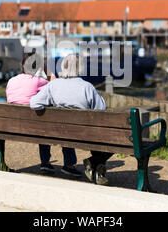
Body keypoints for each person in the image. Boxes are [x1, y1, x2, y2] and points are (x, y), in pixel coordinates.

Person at [30, 53, 113, 185]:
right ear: (81, 68)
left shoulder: (53, 85)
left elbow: (34, 103)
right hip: (85, 135)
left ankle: (96, 167)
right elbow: (101, 111)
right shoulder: (87, 87)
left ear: (63, 66)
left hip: (60, 132)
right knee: (108, 135)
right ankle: (95, 164)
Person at [6, 51, 81, 177]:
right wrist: (48, 70)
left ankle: (45, 162)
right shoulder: (38, 81)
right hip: (34, 126)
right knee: (52, 124)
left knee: (42, 123)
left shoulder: (11, 81)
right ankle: (67, 164)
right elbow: (54, 85)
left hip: (11, 126)